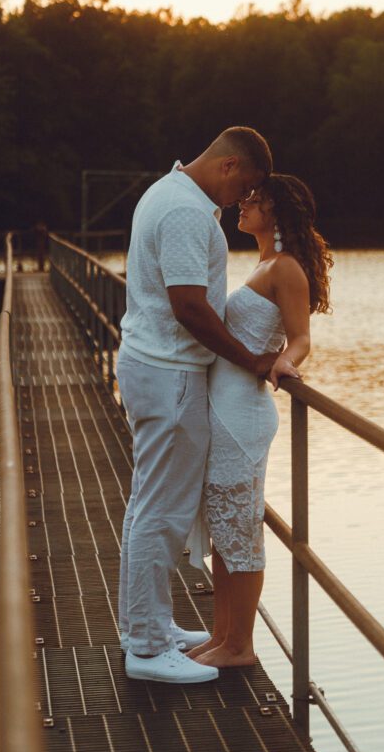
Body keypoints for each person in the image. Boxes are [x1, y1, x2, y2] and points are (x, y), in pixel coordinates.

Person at [117, 126, 279, 685]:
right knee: (160, 511)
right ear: (230, 166)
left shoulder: (169, 191)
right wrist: (251, 359)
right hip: (171, 373)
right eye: (247, 187)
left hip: (152, 364)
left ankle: (150, 627)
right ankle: (145, 646)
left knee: (148, 505)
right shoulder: (187, 212)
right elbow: (189, 306)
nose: (244, 201)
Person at [186, 173, 332, 668]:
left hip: (243, 415)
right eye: (244, 198)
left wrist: (287, 361)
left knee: (240, 530)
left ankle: (240, 646)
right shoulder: (264, 264)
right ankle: (223, 635)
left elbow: (301, 337)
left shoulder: (286, 268)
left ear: (276, 212)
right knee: (226, 532)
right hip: (225, 406)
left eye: (254, 200)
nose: (242, 206)